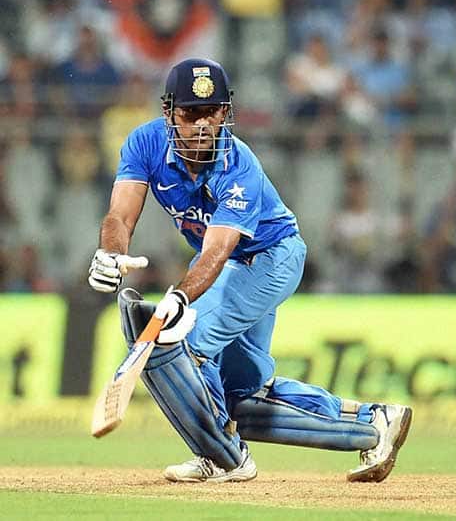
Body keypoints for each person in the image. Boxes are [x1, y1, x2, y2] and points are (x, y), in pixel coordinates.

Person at [87, 58, 411, 483]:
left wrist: (181, 298)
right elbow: (120, 217)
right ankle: (375, 422)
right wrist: (111, 254)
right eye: (191, 113)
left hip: (269, 258)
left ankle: (224, 455)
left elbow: (218, 253)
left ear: (225, 111)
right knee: (241, 389)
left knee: (194, 343)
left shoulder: (239, 168)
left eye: (212, 112)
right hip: (230, 263)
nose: (203, 126)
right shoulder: (143, 143)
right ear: (168, 112)